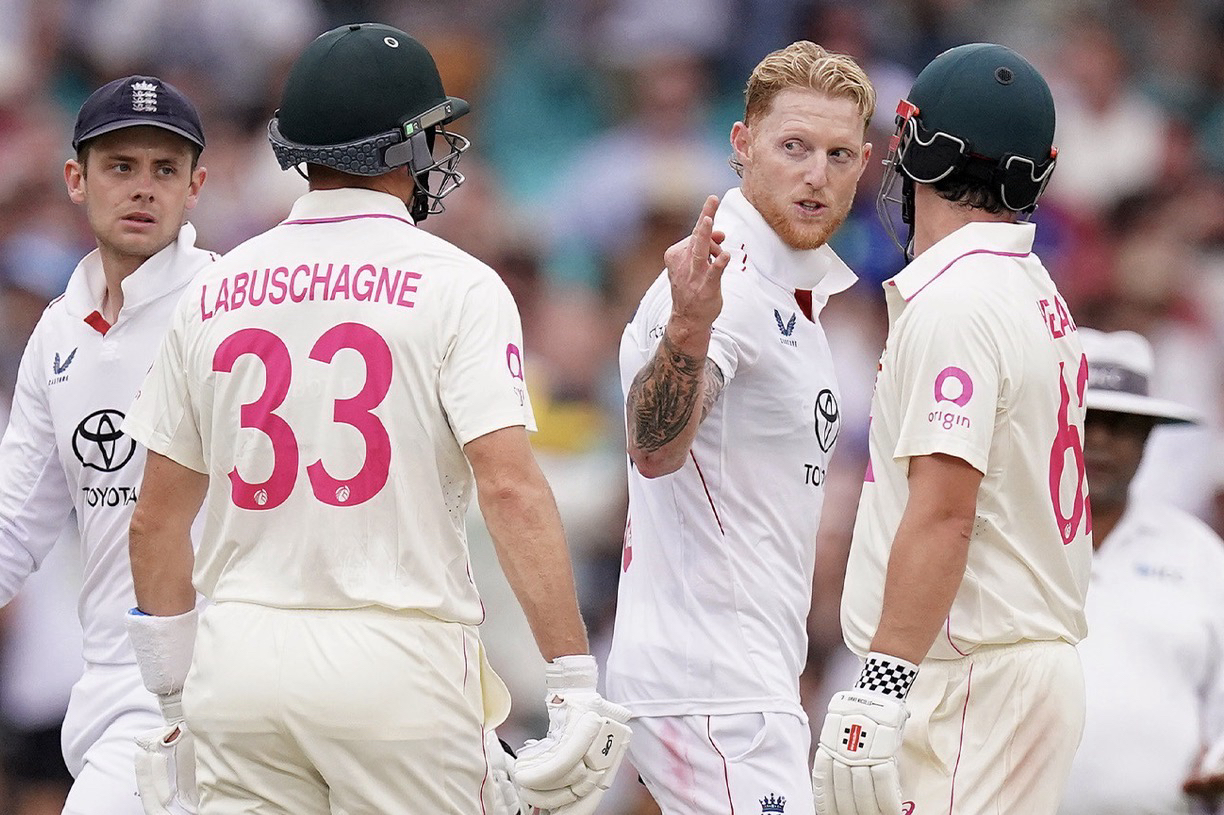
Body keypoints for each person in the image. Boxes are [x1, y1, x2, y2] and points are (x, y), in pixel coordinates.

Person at [120, 22, 630, 815]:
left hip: (238, 660)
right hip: (398, 658)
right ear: (403, 148)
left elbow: (155, 518)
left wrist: (173, 697)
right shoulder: (461, 285)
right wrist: (571, 677)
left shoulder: (211, 289)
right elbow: (509, 488)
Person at [0, 75, 214, 815]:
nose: (143, 188)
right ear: (76, 179)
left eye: (165, 169)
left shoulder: (227, 307)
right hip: (113, 685)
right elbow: (13, 524)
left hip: (225, 684)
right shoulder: (57, 331)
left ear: (196, 187)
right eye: (120, 166)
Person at [812, 44, 1090, 815]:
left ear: (919, 151)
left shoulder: (958, 304)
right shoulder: (1032, 287)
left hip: (972, 677)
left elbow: (944, 512)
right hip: (996, 669)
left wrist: (880, 686)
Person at [606, 40, 872, 815]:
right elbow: (654, 448)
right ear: (743, 143)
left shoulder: (790, 290)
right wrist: (690, 327)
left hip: (743, 680)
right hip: (712, 686)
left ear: (864, 164)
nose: (816, 174)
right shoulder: (732, 278)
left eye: (838, 154)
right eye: (794, 147)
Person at [1059, 328, 1224, 815]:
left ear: (1148, 437)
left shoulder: (1198, 554)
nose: (1101, 440)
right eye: (1086, 419)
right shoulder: (993, 540)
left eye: (1123, 425)